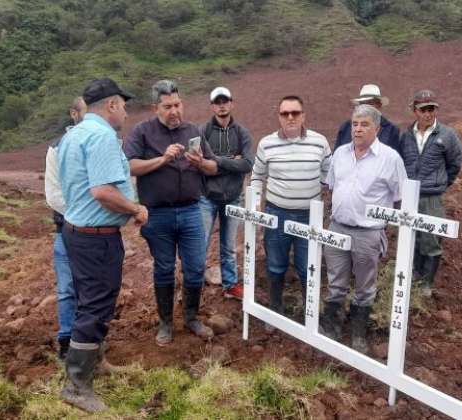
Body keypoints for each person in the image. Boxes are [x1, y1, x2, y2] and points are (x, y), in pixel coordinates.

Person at [58, 78, 147, 412]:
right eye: (123, 105)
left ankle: (95, 363)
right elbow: (103, 191)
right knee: (95, 305)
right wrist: (135, 208)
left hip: (79, 232)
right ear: (111, 105)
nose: (125, 112)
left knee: (89, 300)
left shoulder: (75, 133)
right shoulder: (102, 137)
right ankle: (77, 387)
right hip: (95, 238)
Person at [125, 79, 218, 346]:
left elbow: (213, 168)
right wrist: (163, 159)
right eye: (167, 107)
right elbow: (130, 166)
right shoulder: (142, 132)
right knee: (164, 268)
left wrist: (201, 162)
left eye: (177, 105)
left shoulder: (193, 130)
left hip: (191, 211)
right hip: (158, 214)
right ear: (156, 108)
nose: (174, 111)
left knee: (196, 267)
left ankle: (191, 317)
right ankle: (166, 323)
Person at [320, 104, 407, 353]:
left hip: (368, 233)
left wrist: (384, 225)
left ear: (377, 128)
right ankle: (331, 327)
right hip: (338, 227)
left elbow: (401, 196)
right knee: (336, 281)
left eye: (364, 124)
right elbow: (332, 187)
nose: (357, 129)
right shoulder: (340, 154)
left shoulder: (390, 159)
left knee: (365, 286)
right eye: (355, 124)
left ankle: (358, 333)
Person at [250, 95, 331, 324]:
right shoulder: (266, 144)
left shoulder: (320, 142)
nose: (290, 117)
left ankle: (310, 314)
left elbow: (329, 172)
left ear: (303, 115)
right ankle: (275, 311)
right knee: (276, 265)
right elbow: (257, 176)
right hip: (277, 214)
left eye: (295, 112)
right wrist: (256, 203)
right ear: (279, 117)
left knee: (308, 267)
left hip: (309, 216)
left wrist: (315, 189)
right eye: (285, 113)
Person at [399, 89, 462, 297]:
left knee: (431, 239)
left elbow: (455, 164)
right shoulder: (406, 136)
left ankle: (426, 284)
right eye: (424, 109)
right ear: (415, 111)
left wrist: (440, 184)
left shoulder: (447, 135)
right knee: (412, 239)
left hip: (431, 197)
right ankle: (412, 278)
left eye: (432, 109)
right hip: (409, 197)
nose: (428, 113)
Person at [198, 87, 254, 300]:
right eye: (217, 101)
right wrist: (232, 161)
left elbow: (248, 164)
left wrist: (217, 162)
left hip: (232, 197)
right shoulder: (203, 132)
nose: (222, 105)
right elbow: (199, 164)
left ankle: (230, 284)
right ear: (212, 106)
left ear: (232, 103)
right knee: (199, 244)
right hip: (206, 197)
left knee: (229, 246)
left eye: (225, 101)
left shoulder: (242, 133)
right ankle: (195, 283)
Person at [45, 96, 86, 360]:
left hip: (98, 232)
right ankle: (66, 341)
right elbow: (54, 195)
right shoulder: (57, 149)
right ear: (73, 114)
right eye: (85, 111)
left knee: (94, 289)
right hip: (68, 231)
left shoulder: (104, 143)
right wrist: (85, 214)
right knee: (67, 289)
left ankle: (89, 343)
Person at [333, 84, 401, 156]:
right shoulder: (346, 128)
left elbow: (394, 159)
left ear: (379, 105)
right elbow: (337, 157)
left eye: (370, 103)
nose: (366, 107)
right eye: (363, 103)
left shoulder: (391, 130)